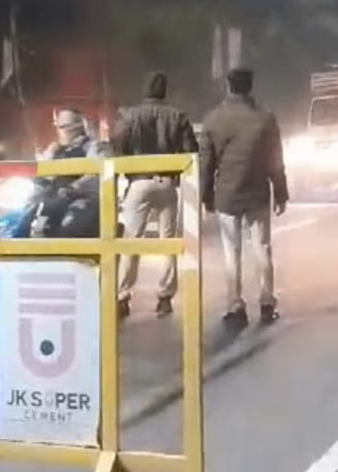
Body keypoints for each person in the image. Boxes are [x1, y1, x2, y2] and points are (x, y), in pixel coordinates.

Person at [201, 68, 288, 326]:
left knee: (232, 251)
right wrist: (281, 193)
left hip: (227, 194)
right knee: (262, 247)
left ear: (229, 86)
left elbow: (206, 163)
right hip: (258, 193)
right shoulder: (266, 119)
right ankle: (267, 301)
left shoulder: (213, 119)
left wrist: (206, 195)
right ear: (250, 87)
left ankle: (235, 304)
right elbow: (275, 160)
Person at [112, 71, 200, 318]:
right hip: (166, 183)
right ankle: (164, 297)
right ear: (164, 91)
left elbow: (117, 146)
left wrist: (126, 170)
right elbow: (191, 151)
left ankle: (122, 296)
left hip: (138, 182)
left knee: (130, 241)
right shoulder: (177, 116)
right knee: (168, 241)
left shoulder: (129, 116)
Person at [39, 109, 110, 237]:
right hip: (54, 198)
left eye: (64, 127)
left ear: (77, 127)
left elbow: (95, 174)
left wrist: (74, 188)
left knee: (69, 227)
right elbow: (41, 170)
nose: (60, 131)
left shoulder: (92, 146)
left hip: (81, 198)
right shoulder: (55, 149)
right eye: (59, 127)